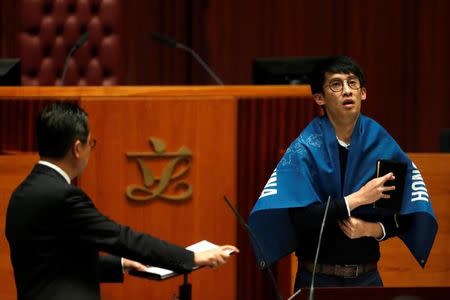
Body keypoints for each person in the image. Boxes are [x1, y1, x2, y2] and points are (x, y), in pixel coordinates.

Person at [5, 102, 238, 300]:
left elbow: (56, 265)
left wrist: (121, 264)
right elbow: (119, 237)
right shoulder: (63, 196)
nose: (89, 150)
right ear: (77, 148)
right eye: (90, 144)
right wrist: (191, 257)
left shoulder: (23, 193)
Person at [248, 56, 437, 291]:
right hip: (317, 279)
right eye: (336, 85)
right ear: (319, 98)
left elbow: (400, 216)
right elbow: (302, 218)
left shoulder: (381, 144)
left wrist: (371, 229)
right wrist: (357, 199)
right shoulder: (305, 148)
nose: (347, 90)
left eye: (352, 83)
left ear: (363, 93)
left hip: (367, 279)